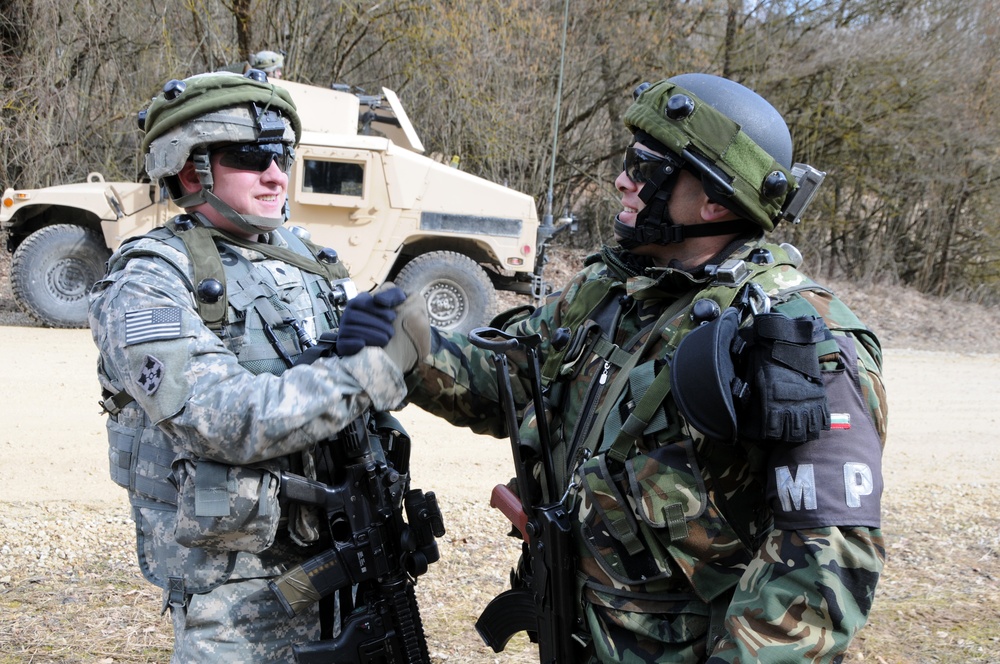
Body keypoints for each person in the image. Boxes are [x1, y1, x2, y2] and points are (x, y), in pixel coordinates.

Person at [405, 73, 887, 662]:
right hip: (576, 629)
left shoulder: (793, 339)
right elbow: (500, 382)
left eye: (646, 167)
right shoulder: (612, 290)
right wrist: (395, 344)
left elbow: (823, 565)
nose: (622, 181)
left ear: (715, 200)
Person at [88, 69, 429, 662]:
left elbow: (338, 385)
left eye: (281, 153)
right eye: (251, 156)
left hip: (345, 556)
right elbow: (222, 418)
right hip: (238, 589)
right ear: (191, 168)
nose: (276, 173)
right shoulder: (148, 281)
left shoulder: (305, 259)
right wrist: (373, 368)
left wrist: (375, 338)